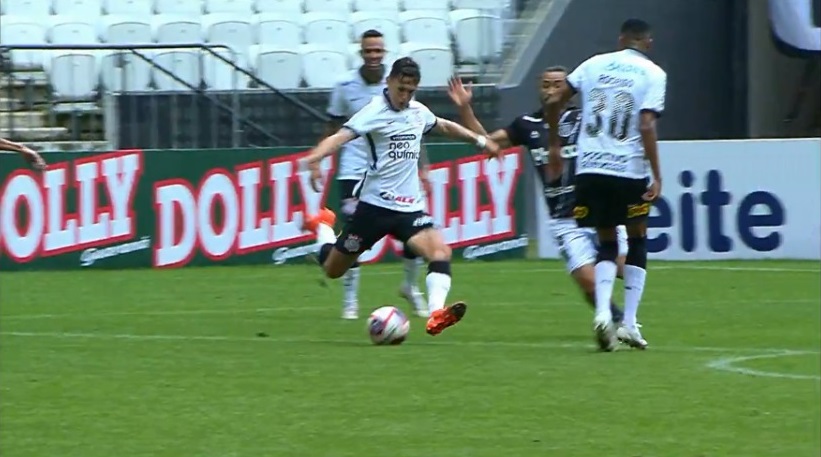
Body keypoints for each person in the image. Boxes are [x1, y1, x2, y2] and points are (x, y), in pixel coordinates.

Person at [301, 57, 501, 336]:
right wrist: (315, 158)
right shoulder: (373, 112)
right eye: (401, 90)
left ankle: (436, 314)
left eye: (411, 91)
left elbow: (443, 126)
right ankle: (322, 226)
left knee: (440, 252)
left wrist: (480, 141)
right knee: (334, 269)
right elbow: (340, 136)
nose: (405, 97)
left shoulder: (418, 111)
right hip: (373, 209)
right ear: (389, 82)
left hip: (410, 209)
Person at [447, 68, 629, 327]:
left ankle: (623, 318)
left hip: (598, 209)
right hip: (563, 218)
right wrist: (465, 108)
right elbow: (487, 143)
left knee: (625, 269)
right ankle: (618, 322)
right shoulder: (526, 125)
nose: (551, 90)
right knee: (588, 281)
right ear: (538, 88)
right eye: (545, 85)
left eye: (557, 85)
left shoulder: (585, 119)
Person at [545, 18, 667, 351]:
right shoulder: (654, 74)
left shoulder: (594, 64)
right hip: (628, 169)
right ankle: (628, 322)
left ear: (620, 39)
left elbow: (555, 99)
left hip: (590, 169)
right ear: (647, 43)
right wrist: (656, 174)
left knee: (606, 242)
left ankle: (602, 313)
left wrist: (555, 144)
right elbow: (645, 124)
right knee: (638, 238)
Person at [325, 29, 428, 320]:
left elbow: (412, 131)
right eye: (368, 51)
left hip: (393, 169)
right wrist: (322, 159)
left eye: (378, 51)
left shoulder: (398, 85)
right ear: (361, 53)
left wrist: (423, 167)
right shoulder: (345, 85)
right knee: (352, 234)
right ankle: (350, 299)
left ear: (384, 53)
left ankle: (410, 286)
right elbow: (333, 127)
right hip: (354, 168)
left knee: (415, 230)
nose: (373, 56)